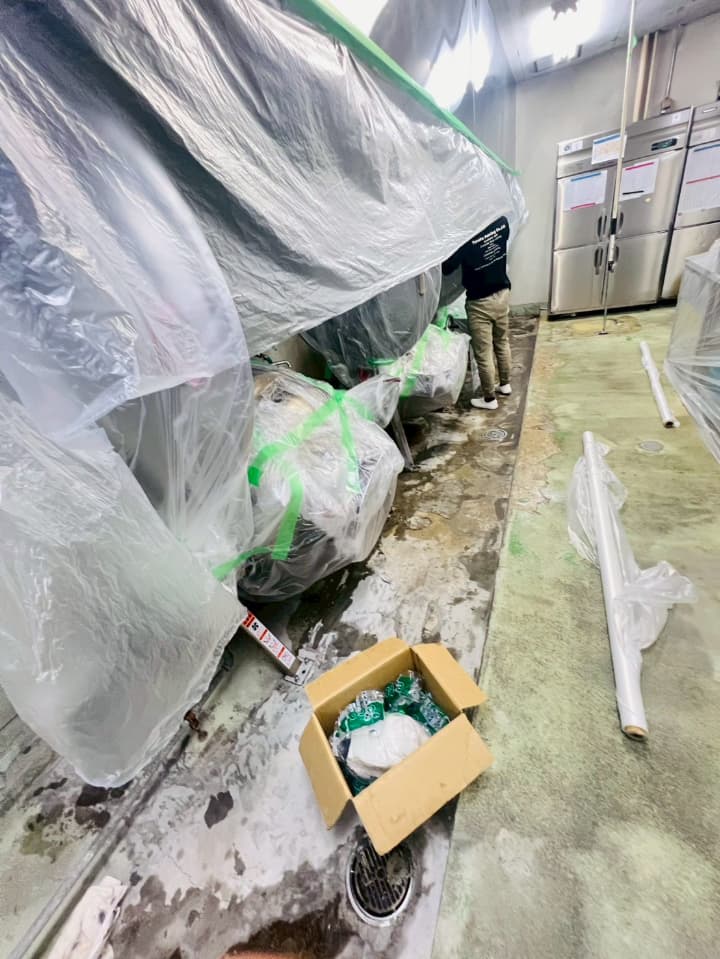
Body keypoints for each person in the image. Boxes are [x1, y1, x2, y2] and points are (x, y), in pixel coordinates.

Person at [442, 216, 512, 411]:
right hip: (503, 294)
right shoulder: (501, 222)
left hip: (480, 302)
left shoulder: (466, 238)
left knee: (483, 352)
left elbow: (447, 268)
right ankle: (505, 384)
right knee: (502, 341)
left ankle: (489, 399)